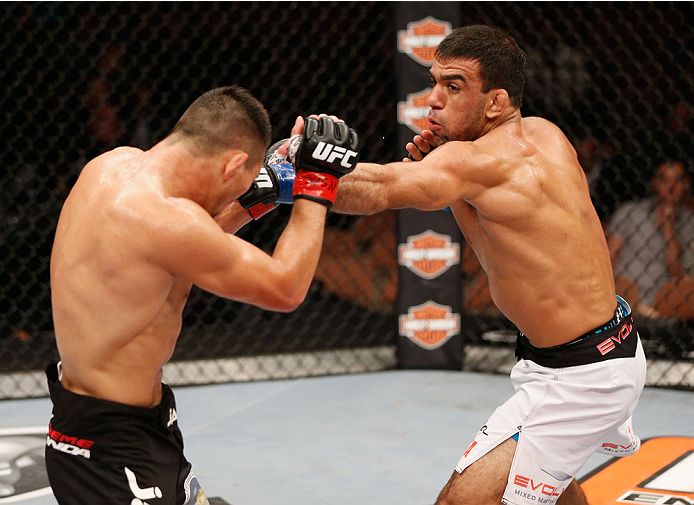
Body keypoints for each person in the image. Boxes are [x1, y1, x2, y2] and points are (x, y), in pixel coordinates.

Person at [276, 25, 646, 505]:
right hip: (596, 350)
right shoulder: (544, 135)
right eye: (434, 82)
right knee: (549, 485)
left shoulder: (475, 164)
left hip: (583, 377)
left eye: (453, 86)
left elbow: (382, 189)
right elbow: (494, 229)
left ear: (495, 102)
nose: (433, 99)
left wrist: (294, 175)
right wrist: (452, 190)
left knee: (459, 501)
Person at [46, 86, 359, 505]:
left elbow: (176, 254)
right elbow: (286, 288)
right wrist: (316, 184)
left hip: (118, 429)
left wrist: (251, 200)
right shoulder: (166, 221)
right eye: (238, 184)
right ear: (232, 164)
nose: (233, 195)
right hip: (113, 454)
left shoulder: (109, 166)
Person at [607, 159, 694, 320]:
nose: (671, 188)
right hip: (624, 295)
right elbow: (608, 258)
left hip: (663, 302)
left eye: (678, 181)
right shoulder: (630, 212)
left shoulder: (689, 222)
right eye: (665, 180)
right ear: (654, 183)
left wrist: (668, 229)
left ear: (686, 183)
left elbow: (677, 272)